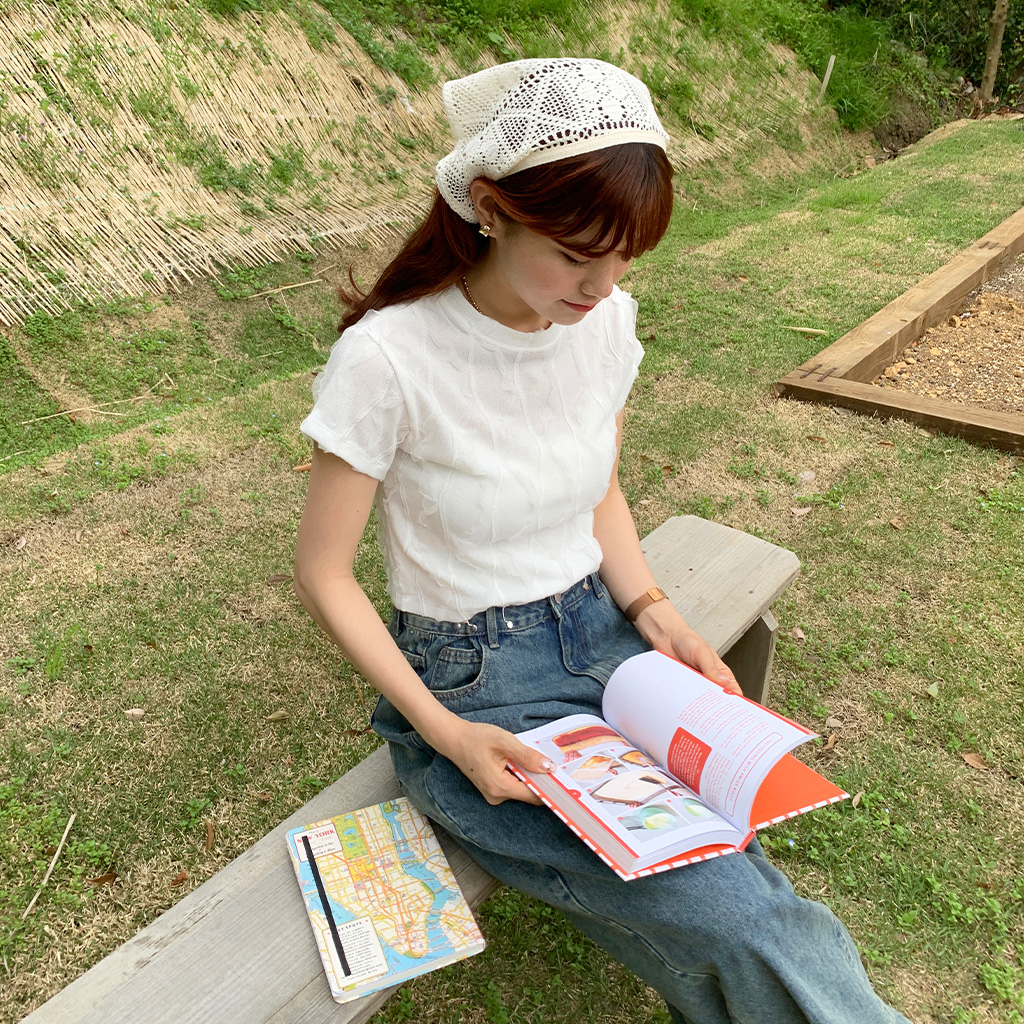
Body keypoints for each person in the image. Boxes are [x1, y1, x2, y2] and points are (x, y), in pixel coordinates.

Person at [293, 57, 911, 1024]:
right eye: (579, 254)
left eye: (626, 257)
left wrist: (655, 611)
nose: (604, 283)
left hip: (610, 643)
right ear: (490, 207)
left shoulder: (607, 320)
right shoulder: (388, 357)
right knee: (744, 919)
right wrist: (446, 734)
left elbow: (602, 493)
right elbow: (323, 574)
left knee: (734, 870)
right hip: (477, 681)